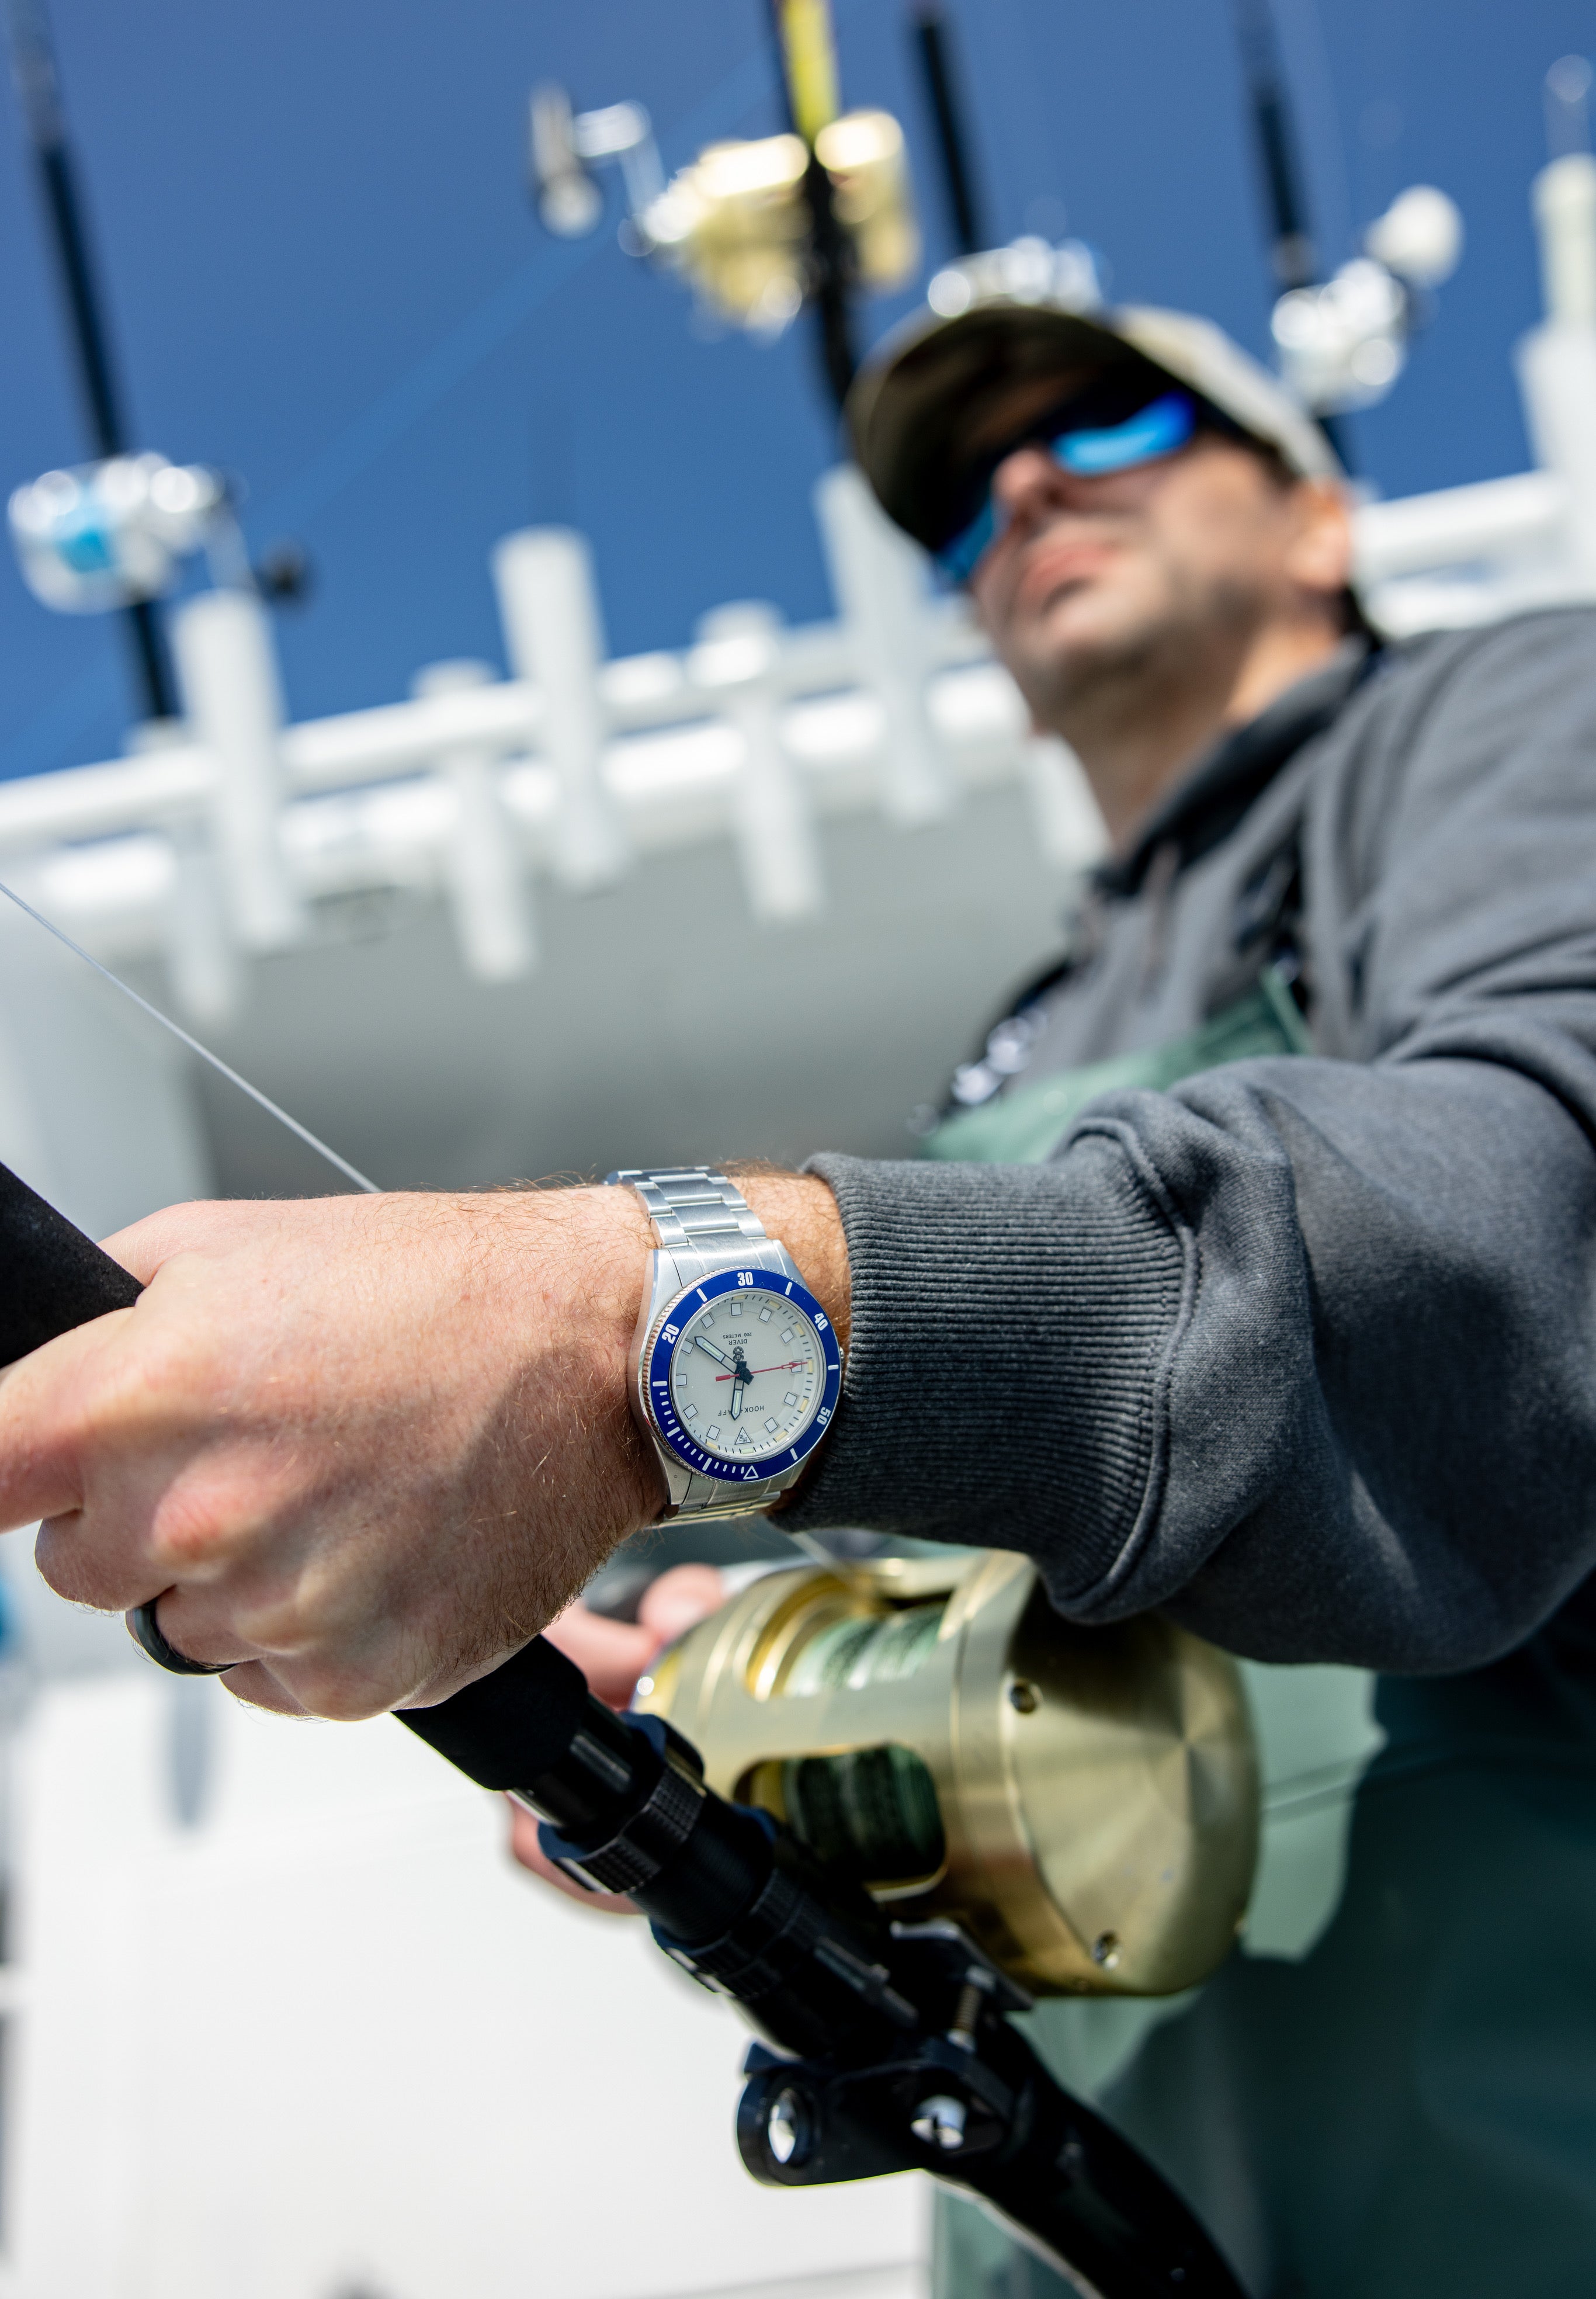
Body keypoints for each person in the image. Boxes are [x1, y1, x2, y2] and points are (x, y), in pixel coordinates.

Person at [4, 275, 1596, 2296]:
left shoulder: (1522, 712)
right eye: (961, 503)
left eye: (1102, 428)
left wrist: (628, 1326)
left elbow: (1527, 1224)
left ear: (1314, 517)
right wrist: (727, 1717)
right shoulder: (1024, 1040)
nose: (1019, 489)